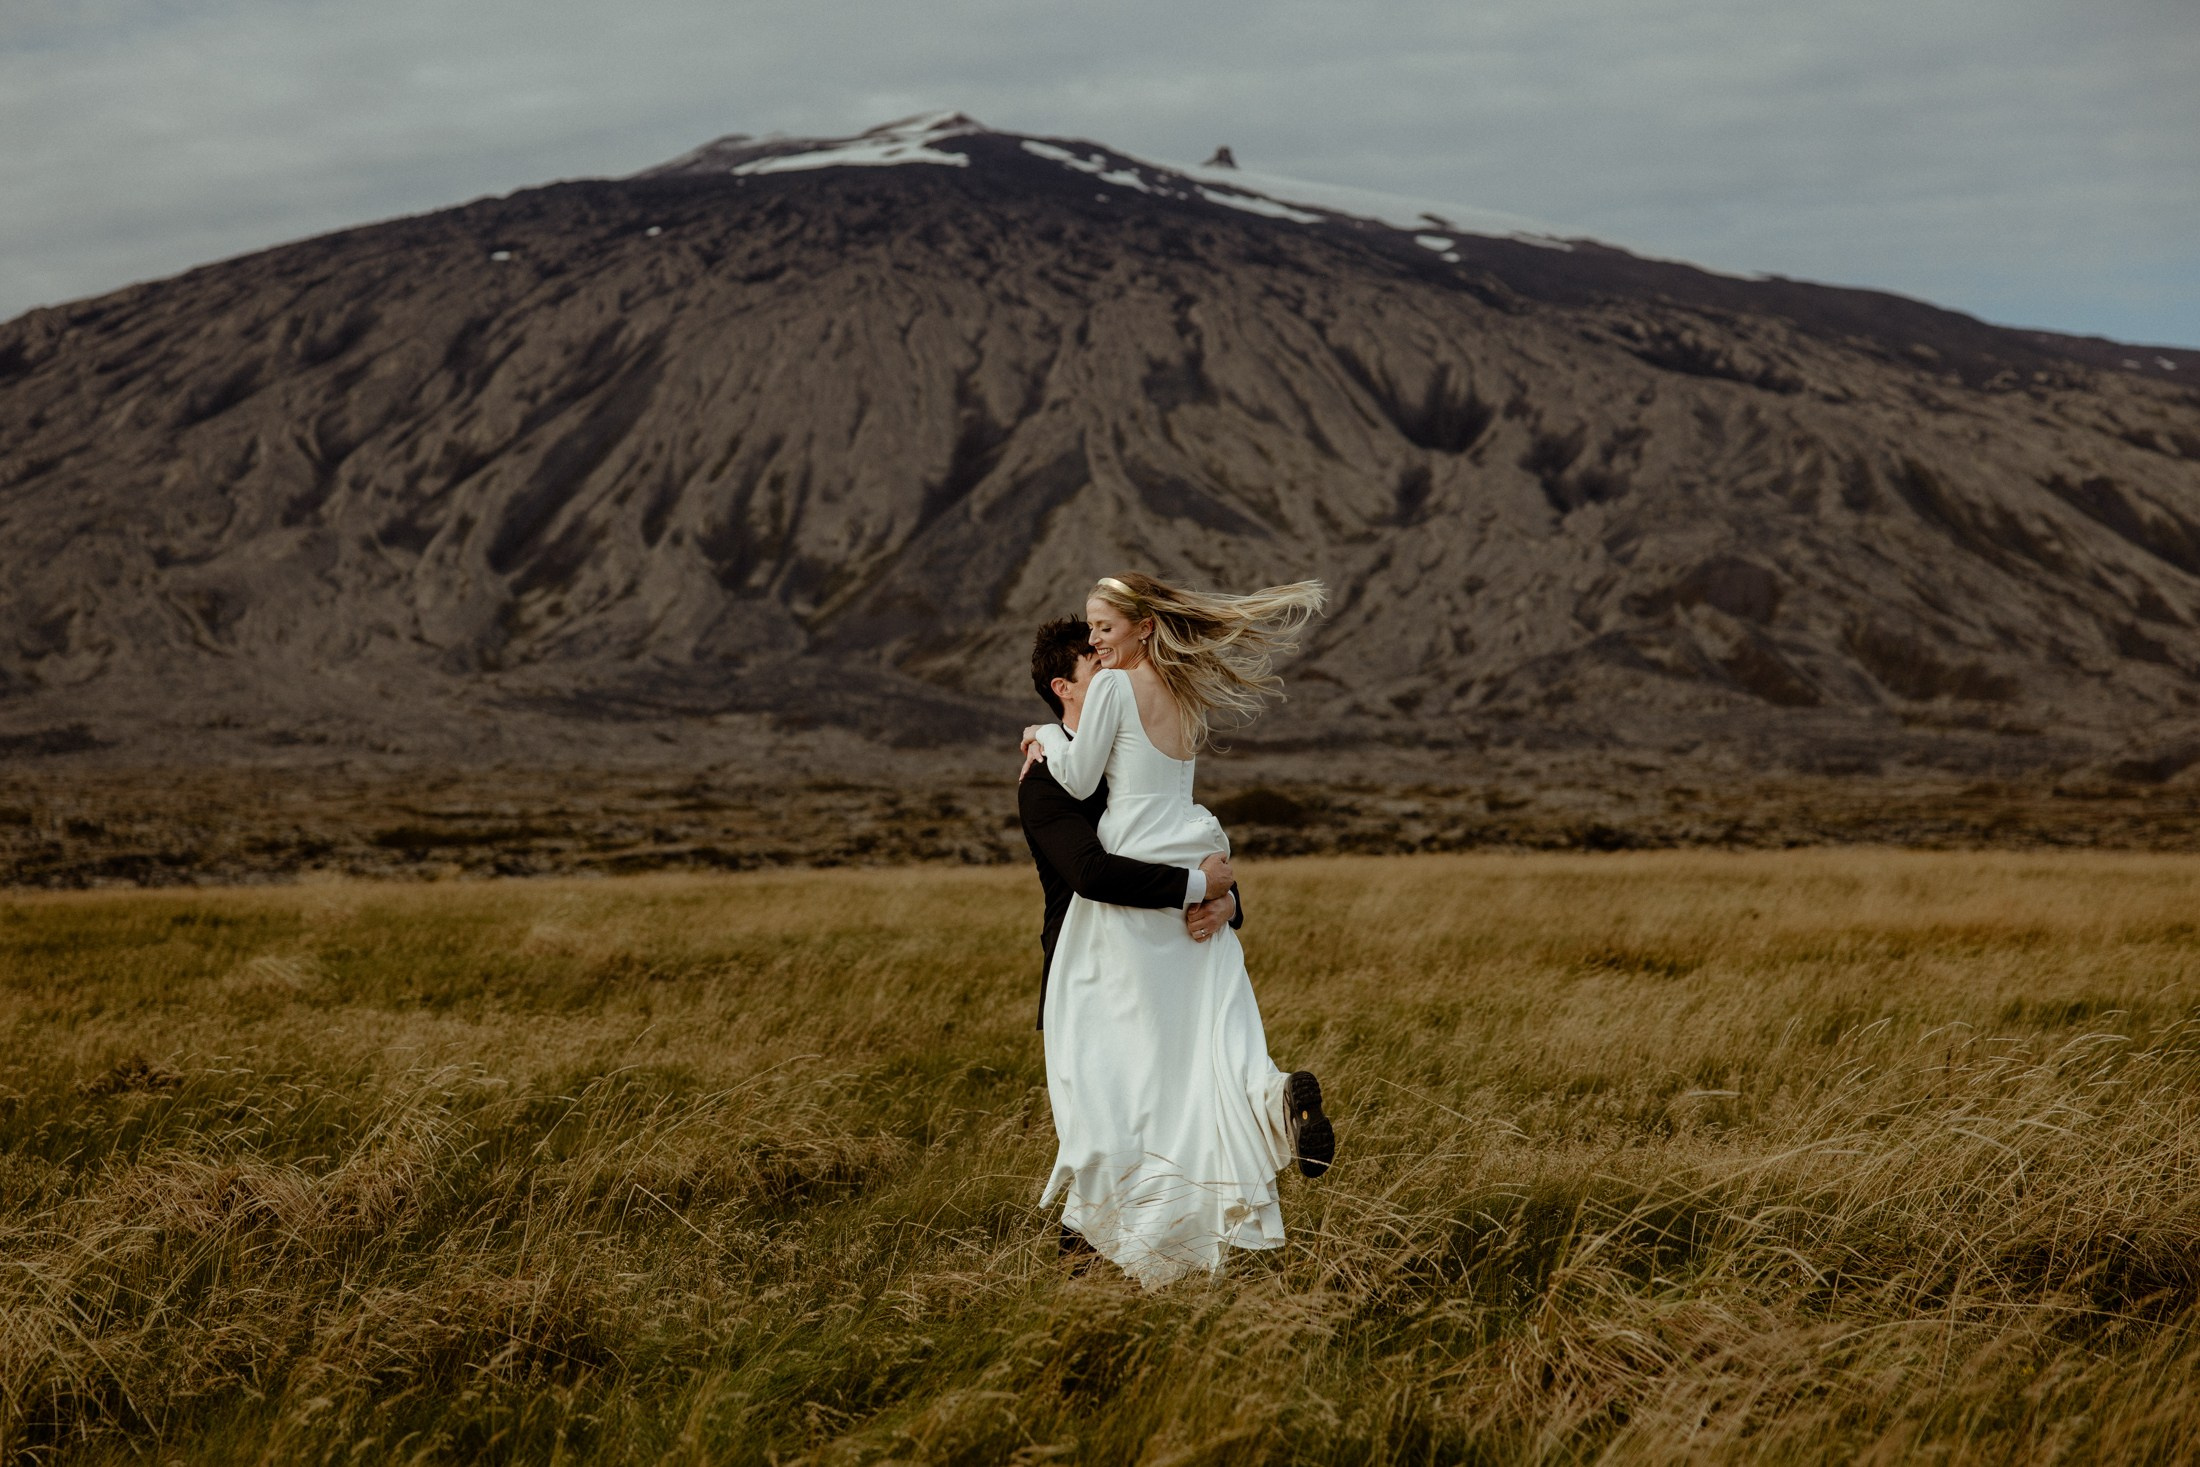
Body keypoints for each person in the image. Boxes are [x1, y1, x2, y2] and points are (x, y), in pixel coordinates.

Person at [1020, 571, 1334, 1288]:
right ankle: (1273, 1105)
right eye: (1088, 651)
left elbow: (1115, 857)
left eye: (1104, 634)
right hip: (1178, 876)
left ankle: (1120, 1258)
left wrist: (1224, 897)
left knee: (1127, 1108)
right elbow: (1118, 858)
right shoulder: (1173, 699)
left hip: (1123, 947)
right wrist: (1207, 882)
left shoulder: (1085, 728)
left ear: (1139, 627)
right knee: (1195, 1072)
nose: (1098, 653)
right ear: (1065, 686)